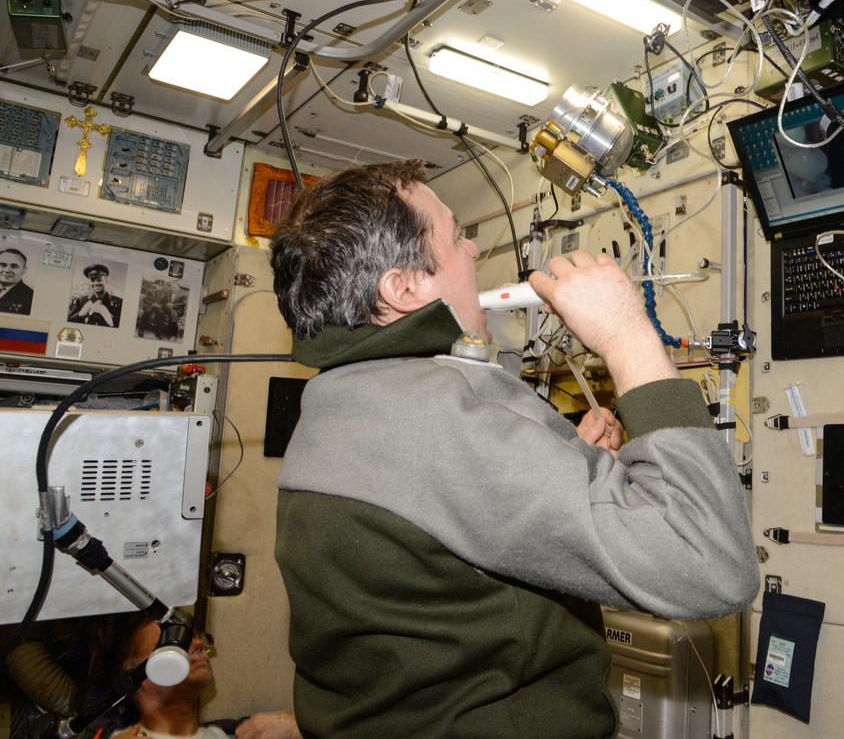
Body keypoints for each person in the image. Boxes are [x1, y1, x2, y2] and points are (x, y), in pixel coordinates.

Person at [269, 160, 758, 738]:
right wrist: (626, 332)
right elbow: (709, 564)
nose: (473, 251)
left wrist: (552, 462)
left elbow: (441, 533)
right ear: (403, 288)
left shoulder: (337, 402)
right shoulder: (442, 414)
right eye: (455, 236)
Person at [103, 613, 299, 739]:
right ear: (131, 672)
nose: (197, 643)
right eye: (173, 643)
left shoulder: (238, 733)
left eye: (193, 636)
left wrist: (299, 727)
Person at [68, 264, 124, 328]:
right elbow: (69, 320)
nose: (96, 283)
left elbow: (124, 327)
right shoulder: (81, 301)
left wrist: (110, 316)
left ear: (106, 281)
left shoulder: (119, 302)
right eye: (92, 281)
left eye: (99, 280)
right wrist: (79, 314)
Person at [0, 247, 34, 315]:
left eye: (14, 266)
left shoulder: (30, 297)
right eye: (3, 265)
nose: (7, 270)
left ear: (24, 270)